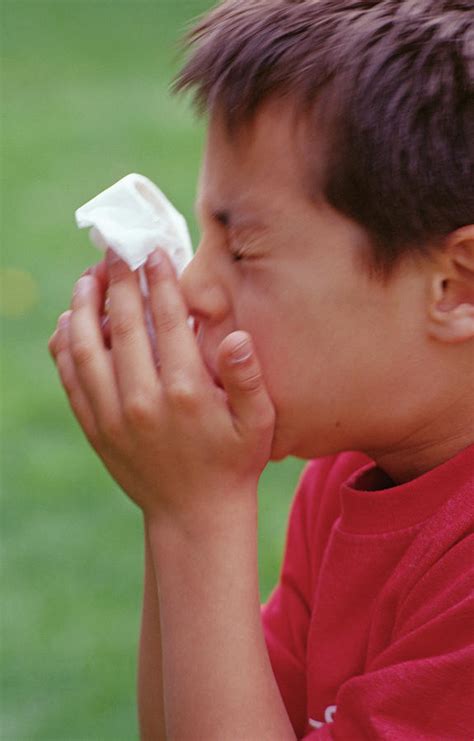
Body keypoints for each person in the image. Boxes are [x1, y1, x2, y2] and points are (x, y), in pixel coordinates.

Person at [48, 0, 474, 738]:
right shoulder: (345, 478)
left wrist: (196, 514)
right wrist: (174, 501)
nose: (192, 290)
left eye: (241, 250)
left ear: (456, 286)